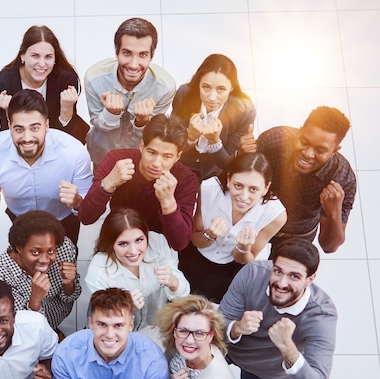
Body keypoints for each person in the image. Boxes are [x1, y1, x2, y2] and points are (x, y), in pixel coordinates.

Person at [219, 238, 337, 379]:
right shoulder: (253, 273)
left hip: (265, 370)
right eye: (277, 271)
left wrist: (288, 348)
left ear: (310, 279)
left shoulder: (321, 316)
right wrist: (236, 328)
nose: (281, 283)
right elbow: (221, 319)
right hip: (229, 346)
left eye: (294, 276)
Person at [0, 89, 92, 244]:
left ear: (47, 125)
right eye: (19, 129)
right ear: (9, 126)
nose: (28, 138)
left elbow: (88, 209)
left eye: (35, 128)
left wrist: (77, 202)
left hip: (64, 221)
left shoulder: (74, 152)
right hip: (19, 219)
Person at [78, 114, 198, 251]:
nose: (157, 163)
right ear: (142, 146)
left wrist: (168, 203)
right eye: (152, 152)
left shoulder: (186, 179)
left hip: (157, 247)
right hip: (118, 237)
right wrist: (108, 184)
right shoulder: (117, 159)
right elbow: (86, 217)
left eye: (167, 156)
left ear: (177, 157)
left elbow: (179, 243)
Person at [179, 153, 287, 303]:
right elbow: (195, 240)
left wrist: (243, 247)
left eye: (253, 189)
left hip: (230, 270)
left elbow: (245, 259)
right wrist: (210, 234)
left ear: (266, 188)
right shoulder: (209, 189)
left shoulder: (275, 214)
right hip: (193, 259)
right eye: (238, 186)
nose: (243, 196)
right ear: (229, 180)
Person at [249, 106, 356, 253]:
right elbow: (241, 181)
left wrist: (334, 211)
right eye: (304, 142)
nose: (307, 154)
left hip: (296, 235)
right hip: (256, 219)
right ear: (300, 131)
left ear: (334, 151)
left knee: (284, 274)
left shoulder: (342, 178)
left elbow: (329, 246)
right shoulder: (274, 139)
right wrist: (243, 155)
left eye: (320, 150)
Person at [84, 17, 176, 164]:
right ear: (116, 52)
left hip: (140, 158)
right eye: (127, 53)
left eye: (143, 55)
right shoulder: (94, 78)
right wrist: (111, 114)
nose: (134, 65)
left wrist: (143, 121)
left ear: (152, 55)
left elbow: (154, 135)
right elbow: (96, 123)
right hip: (102, 153)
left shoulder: (165, 87)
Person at [85, 208, 189, 330]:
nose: (134, 251)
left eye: (139, 240)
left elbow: (183, 298)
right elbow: (104, 322)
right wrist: (125, 308)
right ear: (110, 244)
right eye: (123, 244)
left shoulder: (158, 244)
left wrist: (174, 283)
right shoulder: (99, 270)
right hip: (116, 337)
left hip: (155, 330)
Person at [0, 210, 81, 335]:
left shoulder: (65, 247)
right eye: (35, 252)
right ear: (19, 248)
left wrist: (69, 284)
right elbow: (17, 327)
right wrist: (35, 300)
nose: (45, 260)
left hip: (55, 320)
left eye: (51, 251)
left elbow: (70, 297)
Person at [0, 25, 89, 144]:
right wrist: (9, 113)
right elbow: (7, 133)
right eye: (35, 56)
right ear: (22, 55)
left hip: (56, 137)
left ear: (55, 59)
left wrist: (67, 108)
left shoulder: (66, 78)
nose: (42, 64)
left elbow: (67, 137)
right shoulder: (4, 81)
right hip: (23, 140)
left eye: (48, 57)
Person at [171, 53, 256, 181]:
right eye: (206, 87)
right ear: (198, 83)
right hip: (179, 166)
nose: (212, 97)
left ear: (231, 87)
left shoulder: (244, 110)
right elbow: (170, 146)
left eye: (221, 89)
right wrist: (190, 137)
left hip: (216, 173)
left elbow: (227, 164)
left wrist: (214, 142)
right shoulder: (184, 94)